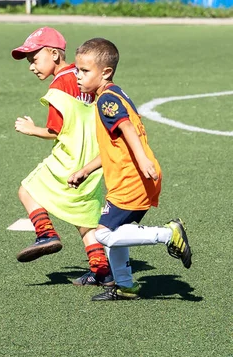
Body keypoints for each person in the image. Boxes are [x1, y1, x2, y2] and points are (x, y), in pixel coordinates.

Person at [69, 37, 192, 301]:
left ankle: (168, 234)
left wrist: (144, 160)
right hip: (130, 178)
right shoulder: (112, 93)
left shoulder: (106, 101)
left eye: (84, 71)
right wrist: (86, 170)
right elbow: (115, 145)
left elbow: (125, 128)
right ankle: (125, 286)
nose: (78, 75)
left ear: (106, 72)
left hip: (133, 179)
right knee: (114, 232)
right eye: (77, 69)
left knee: (102, 235)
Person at [11, 27, 112, 286]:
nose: (31, 66)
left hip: (70, 155)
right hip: (94, 158)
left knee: (26, 191)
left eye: (34, 59)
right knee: (85, 219)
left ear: (54, 54)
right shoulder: (86, 76)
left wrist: (32, 130)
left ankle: (45, 234)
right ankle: (101, 271)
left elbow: (56, 129)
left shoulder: (58, 85)